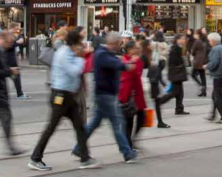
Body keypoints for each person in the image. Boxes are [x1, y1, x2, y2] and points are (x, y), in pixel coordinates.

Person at [29, 29, 97, 171]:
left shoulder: (69, 52)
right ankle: (35, 158)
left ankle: (85, 158)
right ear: (74, 43)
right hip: (60, 96)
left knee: (79, 126)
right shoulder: (64, 54)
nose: (82, 46)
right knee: (51, 128)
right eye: (80, 43)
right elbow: (74, 71)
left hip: (68, 96)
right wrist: (81, 57)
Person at [80, 31, 137, 164]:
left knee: (95, 123)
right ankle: (127, 153)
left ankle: (78, 147)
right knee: (118, 123)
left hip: (104, 94)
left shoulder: (105, 53)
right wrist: (127, 65)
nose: (119, 46)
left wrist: (124, 62)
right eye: (118, 43)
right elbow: (115, 64)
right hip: (106, 95)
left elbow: (115, 61)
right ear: (113, 43)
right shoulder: (102, 54)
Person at [119, 40, 147, 149]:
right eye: (136, 47)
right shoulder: (124, 60)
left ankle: (131, 141)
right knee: (128, 121)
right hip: (129, 94)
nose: (138, 49)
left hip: (137, 93)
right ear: (130, 50)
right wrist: (132, 62)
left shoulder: (137, 59)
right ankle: (128, 145)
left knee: (142, 117)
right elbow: (126, 76)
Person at [158, 34, 190, 116]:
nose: (184, 40)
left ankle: (179, 109)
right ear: (177, 40)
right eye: (182, 38)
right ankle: (160, 101)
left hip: (177, 74)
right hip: (176, 75)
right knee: (174, 92)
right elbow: (173, 63)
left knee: (180, 93)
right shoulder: (175, 49)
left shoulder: (177, 48)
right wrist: (181, 66)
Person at [206, 32, 222, 124]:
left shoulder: (215, 49)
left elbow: (214, 63)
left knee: (217, 97)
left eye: (209, 41)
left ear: (213, 41)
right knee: (215, 95)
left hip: (218, 75)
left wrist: (207, 66)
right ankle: (213, 114)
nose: (209, 42)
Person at [6, 24, 30, 100]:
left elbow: (13, 46)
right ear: (12, 28)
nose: (17, 30)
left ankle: (19, 93)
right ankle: (19, 94)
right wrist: (18, 42)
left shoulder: (12, 35)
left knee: (15, 77)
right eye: (16, 29)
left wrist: (18, 53)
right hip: (9, 60)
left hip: (11, 60)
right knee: (15, 76)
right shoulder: (8, 34)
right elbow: (8, 45)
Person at [190, 30, 208, 97]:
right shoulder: (203, 41)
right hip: (203, 61)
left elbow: (193, 51)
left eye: (195, 34)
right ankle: (204, 91)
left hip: (197, 61)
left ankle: (201, 86)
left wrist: (193, 53)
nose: (194, 35)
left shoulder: (197, 41)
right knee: (202, 76)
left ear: (198, 35)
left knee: (193, 74)